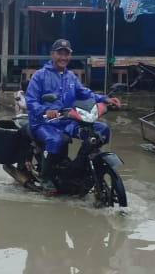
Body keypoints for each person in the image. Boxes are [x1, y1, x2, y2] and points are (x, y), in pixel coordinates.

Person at [23, 39, 121, 194]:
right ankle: (46, 177)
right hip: (44, 123)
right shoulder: (40, 76)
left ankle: (84, 164)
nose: (63, 57)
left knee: (101, 130)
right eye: (59, 53)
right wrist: (45, 110)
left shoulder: (70, 76)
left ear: (70, 56)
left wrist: (104, 99)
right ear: (52, 54)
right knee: (54, 140)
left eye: (66, 54)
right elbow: (30, 101)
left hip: (68, 121)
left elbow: (84, 93)